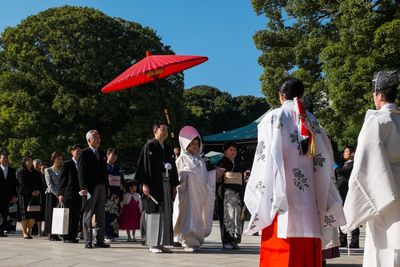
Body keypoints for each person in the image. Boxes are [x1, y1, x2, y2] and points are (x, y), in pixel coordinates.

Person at [244, 77, 345, 266]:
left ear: (280, 96)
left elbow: (264, 159)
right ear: (302, 95)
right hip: (311, 204)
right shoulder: (312, 121)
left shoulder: (274, 117)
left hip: (282, 203)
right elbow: (326, 158)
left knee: (282, 253)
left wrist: (260, 195)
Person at [342, 70, 400, 267]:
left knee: (384, 243)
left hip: (383, 186)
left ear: (379, 95)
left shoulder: (376, 121)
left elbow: (364, 164)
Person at [135, 121, 179, 253]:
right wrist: (144, 184)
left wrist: (174, 185)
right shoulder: (149, 146)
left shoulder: (167, 148)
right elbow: (143, 166)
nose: (165, 131)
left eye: (166, 129)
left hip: (166, 183)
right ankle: (152, 244)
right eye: (162, 129)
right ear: (155, 131)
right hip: (153, 183)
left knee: (165, 212)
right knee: (153, 211)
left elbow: (173, 168)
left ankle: (161, 242)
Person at [173, 126, 217, 252]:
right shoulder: (182, 158)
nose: (195, 146)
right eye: (191, 144)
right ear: (186, 145)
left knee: (198, 215)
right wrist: (187, 175)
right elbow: (177, 174)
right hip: (187, 192)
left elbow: (205, 176)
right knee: (188, 215)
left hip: (199, 193)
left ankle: (196, 240)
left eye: (196, 143)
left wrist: (213, 173)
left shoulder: (200, 160)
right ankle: (187, 241)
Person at [78, 130, 110, 249]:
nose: (98, 140)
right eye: (96, 137)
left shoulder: (101, 153)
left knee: (101, 215)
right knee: (88, 214)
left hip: (101, 186)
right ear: (89, 140)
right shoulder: (84, 153)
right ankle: (88, 241)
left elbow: (105, 172)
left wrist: (107, 186)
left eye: (99, 137)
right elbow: (81, 172)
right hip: (90, 188)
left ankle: (100, 240)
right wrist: (83, 187)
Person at [216, 142, 245, 249]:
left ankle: (235, 240)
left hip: (237, 192)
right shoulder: (221, 162)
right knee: (227, 215)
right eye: (231, 150)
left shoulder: (239, 162)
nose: (233, 152)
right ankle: (226, 241)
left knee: (237, 215)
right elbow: (218, 179)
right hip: (226, 193)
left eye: (235, 150)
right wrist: (219, 174)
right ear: (225, 151)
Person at [335, 146, 359, 248]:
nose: (344, 153)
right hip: (341, 193)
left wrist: (336, 167)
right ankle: (343, 239)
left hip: (348, 193)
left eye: (347, 151)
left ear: (352, 154)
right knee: (341, 216)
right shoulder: (343, 164)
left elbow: (342, 171)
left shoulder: (353, 164)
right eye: (344, 151)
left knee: (352, 215)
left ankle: (354, 240)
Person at [58, 144, 82, 243]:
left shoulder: (82, 164)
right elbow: (62, 179)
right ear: (72, 152)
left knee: (76, 215)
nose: (78, 153)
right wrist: (61, 193)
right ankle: (66, 236)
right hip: (68, 193)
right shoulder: (67, 164)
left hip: (79, 194)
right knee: (67, 215)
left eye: (80, 151)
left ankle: (73, 235)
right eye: (77, 151)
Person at [17, 156, 42, 239]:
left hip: (34, 196)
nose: (30, 162)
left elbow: (40, 183)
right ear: (24, 162)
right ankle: (24, 232)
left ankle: (28, 231)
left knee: (33, 215)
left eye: (31, 160)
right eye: (28, 161)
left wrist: (38, 191)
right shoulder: (21, 172)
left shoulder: (36, 172)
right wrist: (31, 191)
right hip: (24, 195)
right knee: (25, 215)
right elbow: (22, 183)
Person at [105, 148, 124, 242]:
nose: (114, 157)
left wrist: (121, 194)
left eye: (115, 156)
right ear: (107, 155)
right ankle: (106, 235)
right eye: (112, 155)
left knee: (115, 214)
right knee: (106, 214)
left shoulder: (118, 168)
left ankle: (113, 235)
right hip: (107, 192)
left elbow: (122, 181)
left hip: (116, 193)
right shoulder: (104, 166)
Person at [44, 152, 64, 241]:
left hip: (61, 195)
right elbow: (49, 184)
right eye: (58, 158)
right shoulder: (48, 170)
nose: (60, 160)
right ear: (54, 159)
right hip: (51, 195)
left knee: (59, 215)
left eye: (61, 159)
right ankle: (51, 233)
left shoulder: (63, 169)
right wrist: (57, 194)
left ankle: (57, 233)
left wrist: (61, 194)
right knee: (51, 214)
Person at [0, 152, 17, 237]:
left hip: (7, 196)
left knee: (5, 214)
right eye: (3, 158)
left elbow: (14, 184)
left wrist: (14, 195)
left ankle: (2, 231)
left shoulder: (12, 170)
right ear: (0, 159)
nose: (5, 160)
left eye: (6, 158)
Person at [31, 159, 45, 236]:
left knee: (40, 213)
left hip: (41, 196)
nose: (37, 165)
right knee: (33, 213)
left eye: (39, 164)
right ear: (33, 164)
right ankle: (34, 230)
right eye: (36, 164)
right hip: (33, 195)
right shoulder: (31, 173)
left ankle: (39, 230)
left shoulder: (42, 174)